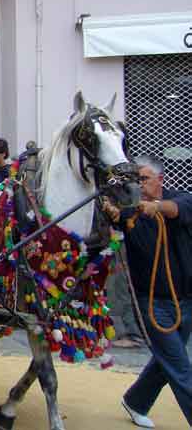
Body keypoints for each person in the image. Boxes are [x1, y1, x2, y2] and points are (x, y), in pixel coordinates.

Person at [112, 155, 192, 429]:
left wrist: (156, 207)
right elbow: (110, 217)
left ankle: (136, 401)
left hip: (186, 300)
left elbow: (174, 209)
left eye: (144, 179)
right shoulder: (129, 212)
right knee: (180, 368)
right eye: (136, 180)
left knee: (168, 360)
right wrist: (110, 209)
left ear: (160, 179)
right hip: (152, 304)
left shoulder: (182, 198)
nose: (139, 185)